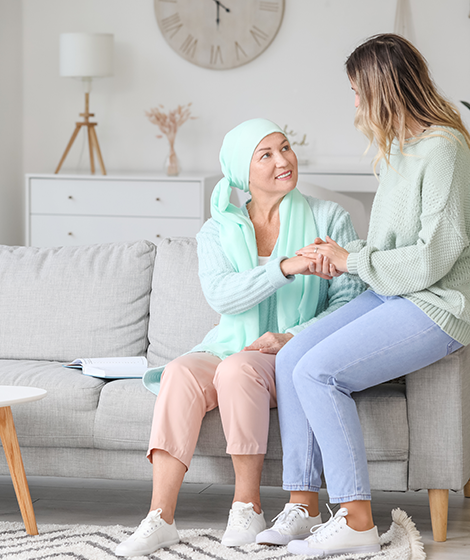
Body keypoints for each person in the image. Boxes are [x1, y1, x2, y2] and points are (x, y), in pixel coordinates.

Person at [260, 34, 470, 557]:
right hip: (396, 292)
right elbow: (391, 250)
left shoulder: (444, 151)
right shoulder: (396, 151)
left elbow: (432, 260)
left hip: (438, 303)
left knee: (320, 373)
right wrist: (341, 254)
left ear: (383, 89)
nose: (357, 105)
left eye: (359, 93)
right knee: (293, 357)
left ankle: (357, 519)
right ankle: (304, 505)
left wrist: (352, 260)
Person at [114, 118, 366, 557]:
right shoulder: (217, 230)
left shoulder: (329, 218)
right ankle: (160, 517)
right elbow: (223, 296)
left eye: (285, 148)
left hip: (291, 352)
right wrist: (284, 267)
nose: (283, 160)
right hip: (229, 344)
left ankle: (247, 507)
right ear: (240, 173)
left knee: (237, 370)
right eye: (265, 155)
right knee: (178, 372)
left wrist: (291, 336)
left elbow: (349, 304)